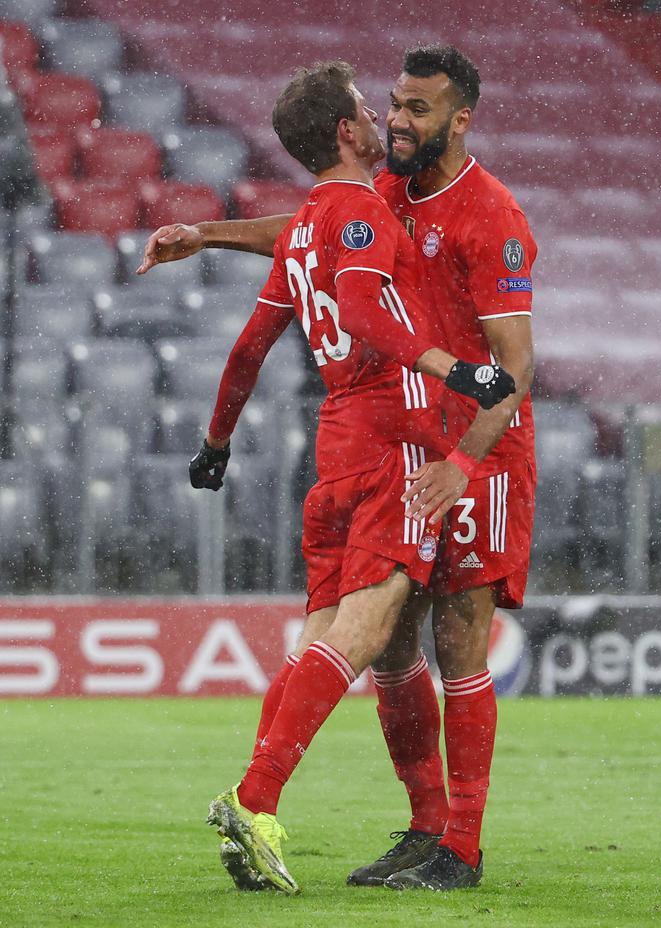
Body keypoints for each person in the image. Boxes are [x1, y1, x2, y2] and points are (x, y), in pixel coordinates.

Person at [138, 45, 537, 893]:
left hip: (477, 448)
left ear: (459, 119)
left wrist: (466, 461)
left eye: (417, 110)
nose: (398, 120)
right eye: (392, 103)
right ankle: (423, 827)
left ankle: (460, 849)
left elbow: (516, 365)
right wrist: (203, 234)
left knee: (458, 642)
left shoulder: (491, 214)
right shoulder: (381, 191)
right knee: (390, 648)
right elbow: (308, 235)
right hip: (401, 439)